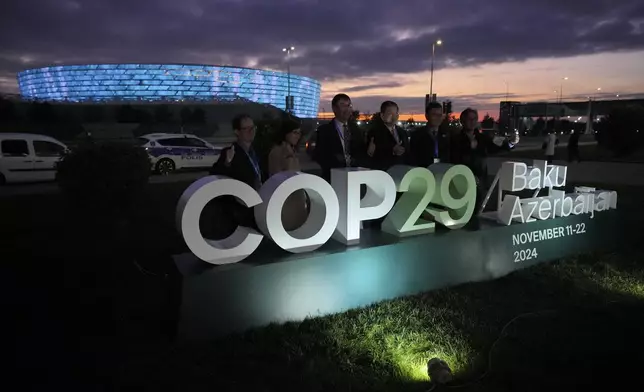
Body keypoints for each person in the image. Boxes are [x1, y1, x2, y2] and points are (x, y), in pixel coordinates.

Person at [451, 108, 519, 217]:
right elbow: (454, 159)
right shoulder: (455, 139)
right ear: (462, 121)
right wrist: (470, 148)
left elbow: (495, 148)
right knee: (461, 212)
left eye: (475, 119)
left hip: (480, 181)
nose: (472, 122)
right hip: (462, 181)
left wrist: (511, 143)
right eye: (469, 119)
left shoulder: (482, 138)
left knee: (476, 211)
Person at [210, 114, 262, 230]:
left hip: (259, 203)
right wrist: (227, 162)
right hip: (240, 209)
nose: (251, 131)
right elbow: (215, 175)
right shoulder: (230, 152)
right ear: (237, 132)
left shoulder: (256, 152)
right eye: (246, 128)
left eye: (253, 127)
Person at [313, 93, 366, 182]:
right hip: (333, 177)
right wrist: (335, 158)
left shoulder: (356, 129)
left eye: (349, 105)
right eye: (343, 105)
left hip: (355, 177)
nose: (347, 109)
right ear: (334, 108)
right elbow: (319, 155)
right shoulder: (324, 130)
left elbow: (361, 151)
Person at [268, 119, 308, 231]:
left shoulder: (292, 150)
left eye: (299, 133)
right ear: (286, 133)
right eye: (294, 132)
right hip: (285, 198)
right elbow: (275, 176)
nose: (298, 136)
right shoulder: (278, 151)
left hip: (297, 196)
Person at [365, 100, 410, 171]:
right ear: (382, 115)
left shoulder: (402, 132)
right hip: (383, 172)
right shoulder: (374, 132)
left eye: (396, 114)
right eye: (390, 114)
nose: (394, 117)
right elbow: (372, 153)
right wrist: (392, 151)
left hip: (401, 172)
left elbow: (407, 151)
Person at [409, 101, 451, 167]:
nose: (438, 118)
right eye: (434, 115)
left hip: (443, 171)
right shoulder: (417, 135)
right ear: (426, 116)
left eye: (440, 115)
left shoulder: (447, 134)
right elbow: (412, 158)